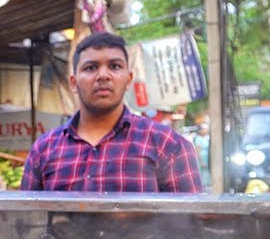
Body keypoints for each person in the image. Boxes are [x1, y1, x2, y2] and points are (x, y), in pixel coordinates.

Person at [19, 32, 202, 193]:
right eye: (91, 68)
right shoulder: (44, 149)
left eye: (114, 66)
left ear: (128, 79)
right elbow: (27, 225)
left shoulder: (168, 145)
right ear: (73, 83)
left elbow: (191, 226)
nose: (103, 76)